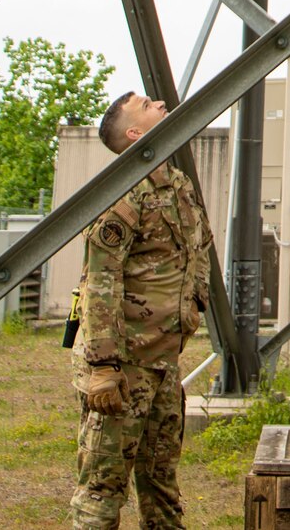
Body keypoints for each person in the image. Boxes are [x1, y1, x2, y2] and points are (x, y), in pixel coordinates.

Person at [69, 92, 213, 530]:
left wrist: (188, 316)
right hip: (123, 367)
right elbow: (100, 282)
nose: (160, 101)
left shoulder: (177, 185)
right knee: (102, 488)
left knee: (162, 484)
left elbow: (198, 255)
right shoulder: (123, 195)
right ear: (135, 134)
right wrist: (103, 367)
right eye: (145, 103)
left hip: (162, 364)